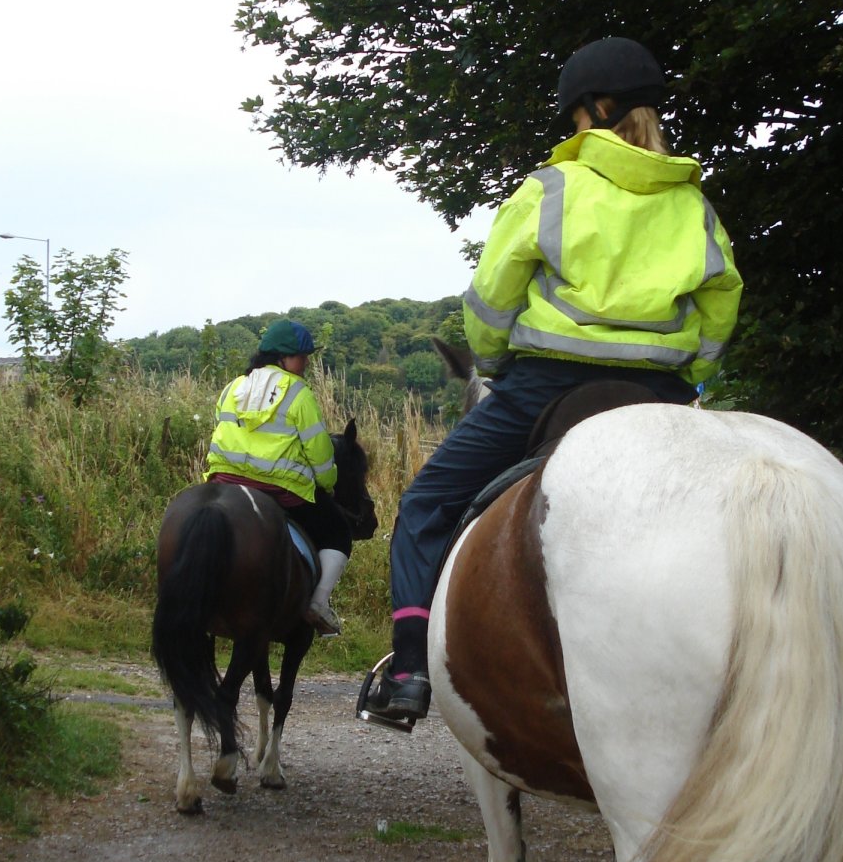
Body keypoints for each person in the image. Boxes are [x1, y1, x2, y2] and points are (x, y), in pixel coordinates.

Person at [362, 36, 744, 722]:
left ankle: (411, 672)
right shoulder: (694, 206)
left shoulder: (551, 188)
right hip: (659, 393)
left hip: (546, 386)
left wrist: (492, 361)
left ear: (595, 109)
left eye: (575, 115)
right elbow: (721, 304)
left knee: (424, 504)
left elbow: (489, 303)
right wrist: (692, 375)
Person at [205, 318, 352, 635]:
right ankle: (318, 605)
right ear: (282, 357)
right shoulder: (298, 393)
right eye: (302, 356)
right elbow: (320, 453)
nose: (307, 362)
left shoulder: (233, 387)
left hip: (223, 483)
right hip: (280, 491)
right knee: (338, 530)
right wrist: (327, 485)